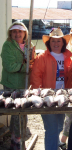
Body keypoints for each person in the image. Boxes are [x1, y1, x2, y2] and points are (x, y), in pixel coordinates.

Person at [30, 28, 72, 150]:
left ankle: (55, 144)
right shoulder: (42, 57)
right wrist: (40, 96)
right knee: (51, 128)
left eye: (59, 41)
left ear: (63, 43)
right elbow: (36, 77)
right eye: (53, 41)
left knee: (59, 125)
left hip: (63, 97)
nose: (56, 44)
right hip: (47, 97)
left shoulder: (68, 57)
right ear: (49, 42)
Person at [0, 21, 34, 150]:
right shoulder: (7, 45)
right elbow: (9, 66)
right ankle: (15, 143)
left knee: (23, 113)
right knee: (16, 114)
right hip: (11, 85)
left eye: (20, 31)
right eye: (14, 31)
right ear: (10, 33)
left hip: (25, 84)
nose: (17, 33)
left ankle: (21, 140)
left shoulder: (29, 44)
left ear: (25, 33)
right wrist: (26, 67)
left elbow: (33, 60)